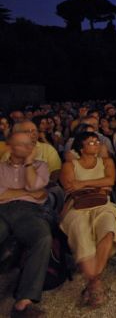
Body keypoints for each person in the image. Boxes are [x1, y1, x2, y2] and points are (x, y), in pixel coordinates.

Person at [60, 132, 116, 307]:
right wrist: (99, 185)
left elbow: (110, 179)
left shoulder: (106, 162)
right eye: (91, 142)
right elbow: (69, 186)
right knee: (79, 227)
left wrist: (83, 183)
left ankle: (94, 279)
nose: (96, 144)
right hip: (77, 206)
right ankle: (95, 283)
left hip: (102, 203)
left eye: (97, 141)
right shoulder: (69, 165)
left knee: (109, 224)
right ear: (81, 147)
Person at [0, 132, 52, 318]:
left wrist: (29, 163)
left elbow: (34, 187)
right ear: (11, 147)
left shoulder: (40, 166)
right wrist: (25, 192)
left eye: (31, 144)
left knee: (43, 237)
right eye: (23, 145)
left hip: (28, 211)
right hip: (2, 210)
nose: (29, 148)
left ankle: (25, 300)